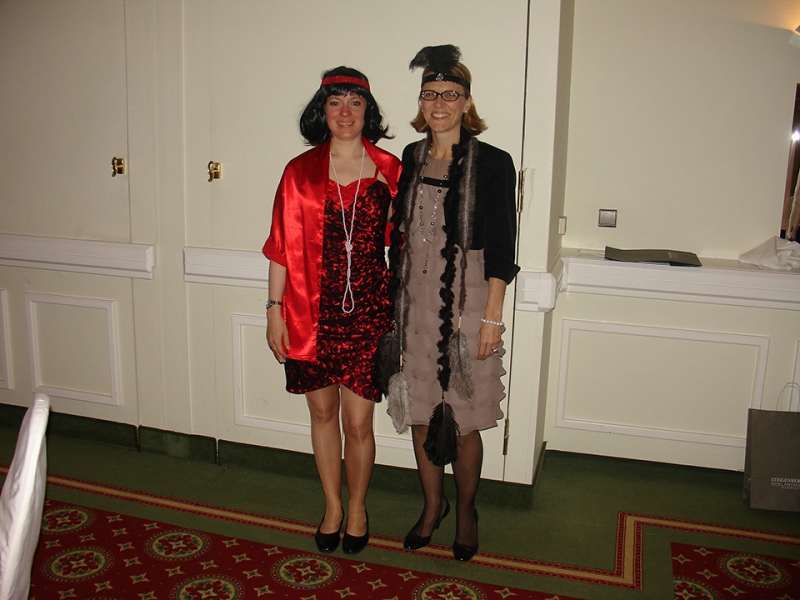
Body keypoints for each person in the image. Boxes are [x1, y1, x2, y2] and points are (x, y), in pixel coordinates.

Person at [387, 45, 519, 562]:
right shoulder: (411, 156)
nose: (439, 103)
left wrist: (492, 318)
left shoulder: (494, 163)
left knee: (462, 421)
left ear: (467, 102)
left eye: (450, 93)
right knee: (422, 414)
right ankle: (432, 505)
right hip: (415, 305)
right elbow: (400, 234)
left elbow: (503, 247)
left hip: (468, 304)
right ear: (421, 102)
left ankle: (466, 511)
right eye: (430, 93)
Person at [262, 67, 401, 555]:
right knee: (322, 413)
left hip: (368, 313)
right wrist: (274, 309)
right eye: (335, 102)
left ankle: (358, 508)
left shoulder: (390, 169)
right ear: (322, 111)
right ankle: (333, 507)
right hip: (309, 312)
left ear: (368, 111)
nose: (345, 112)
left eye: (355, 102)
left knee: (358, 423)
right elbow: (280, 247)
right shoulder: (298, 171)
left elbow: (409, 243)